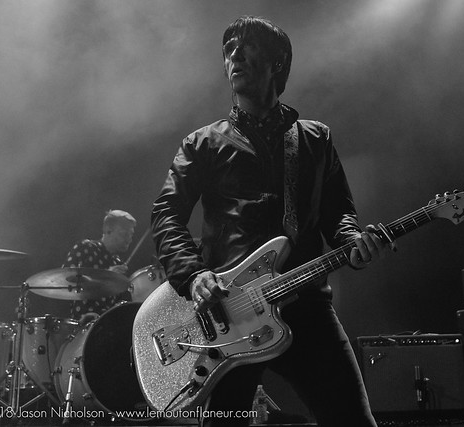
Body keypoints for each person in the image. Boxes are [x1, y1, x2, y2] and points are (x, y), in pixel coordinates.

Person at [151, 16, 392, 427]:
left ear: (277, 62)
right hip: (228, 314)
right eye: (228, 50)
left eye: (246, 46)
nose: (234, 56)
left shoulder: (315, 139)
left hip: (306, 304)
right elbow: (167, 213)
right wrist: (193, 276)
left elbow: (339, 214)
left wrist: (353, 240)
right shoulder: (203, 143)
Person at [63, 209, 136, 322]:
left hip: (109, 324)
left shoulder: (118, 263)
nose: (129, 238)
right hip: (84, 322)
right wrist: (107, 276)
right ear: (108, 230)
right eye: (124, 233)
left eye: (131, 234)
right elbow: (65, 280)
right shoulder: (86, 248)